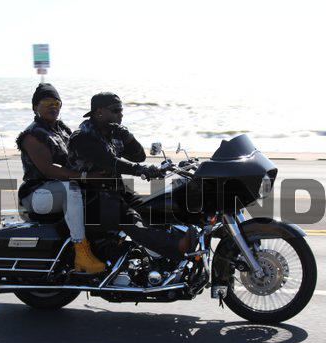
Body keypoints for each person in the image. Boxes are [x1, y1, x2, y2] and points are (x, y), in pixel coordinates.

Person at [67, 92, 196, 260]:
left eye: (121, 110)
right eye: (115, 110)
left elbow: (139, 156)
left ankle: (161, 258)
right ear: (99, 112)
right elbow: (110, 162)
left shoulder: (113, 134)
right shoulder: (82, 138)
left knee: (155, 204)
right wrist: (141, 170)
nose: (120, 115)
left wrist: (127, 136)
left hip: (116, 191)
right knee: (128, 218)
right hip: (89, 197)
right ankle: (176, 245)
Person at [16, 83, 106, 274]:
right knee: (70, 188)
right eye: (47, 102)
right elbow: (49, 170)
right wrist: (85, 176)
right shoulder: (32, 135)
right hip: (37, 194)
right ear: (35, 107)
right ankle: (81, 252)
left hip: (59, 189)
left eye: (57, 103)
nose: (53, 106)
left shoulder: (62, 130)